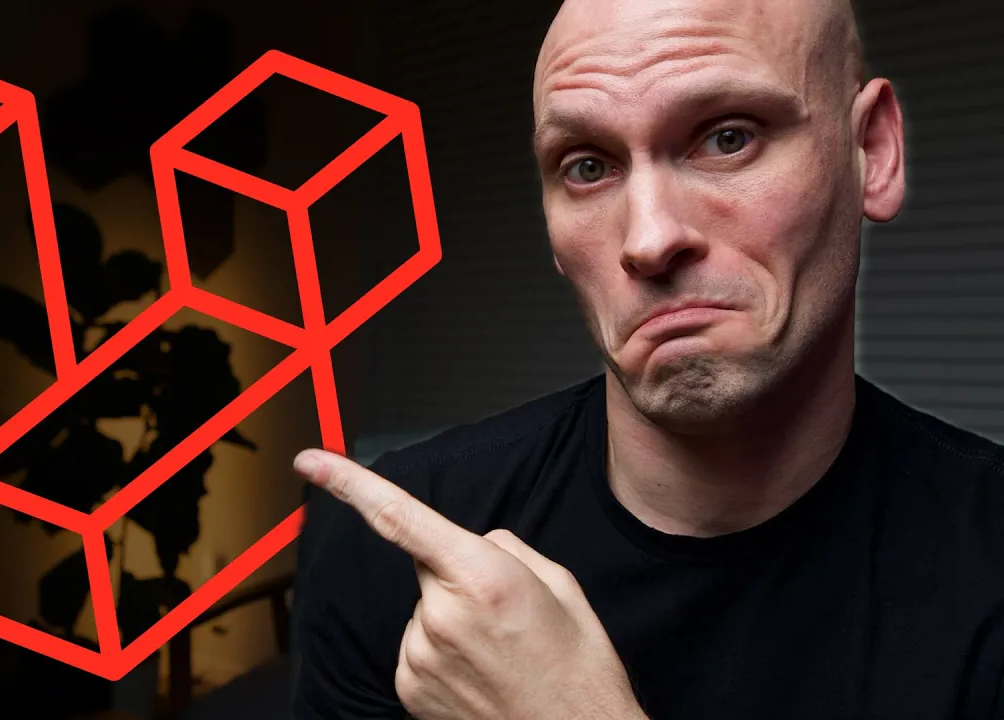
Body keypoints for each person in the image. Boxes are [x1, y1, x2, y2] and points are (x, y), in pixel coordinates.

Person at [288, 0, 1004, 717]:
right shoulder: (400, 548)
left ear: (871, 152)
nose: (649, 239)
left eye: (728, 138)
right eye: (588, 166)